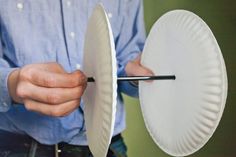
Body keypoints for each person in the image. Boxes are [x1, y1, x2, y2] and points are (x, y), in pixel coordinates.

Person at [0, 0, 153, 156]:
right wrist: (11, 84)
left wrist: (137, 75)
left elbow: (128, 55)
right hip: (20, 146)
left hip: (110, 146)